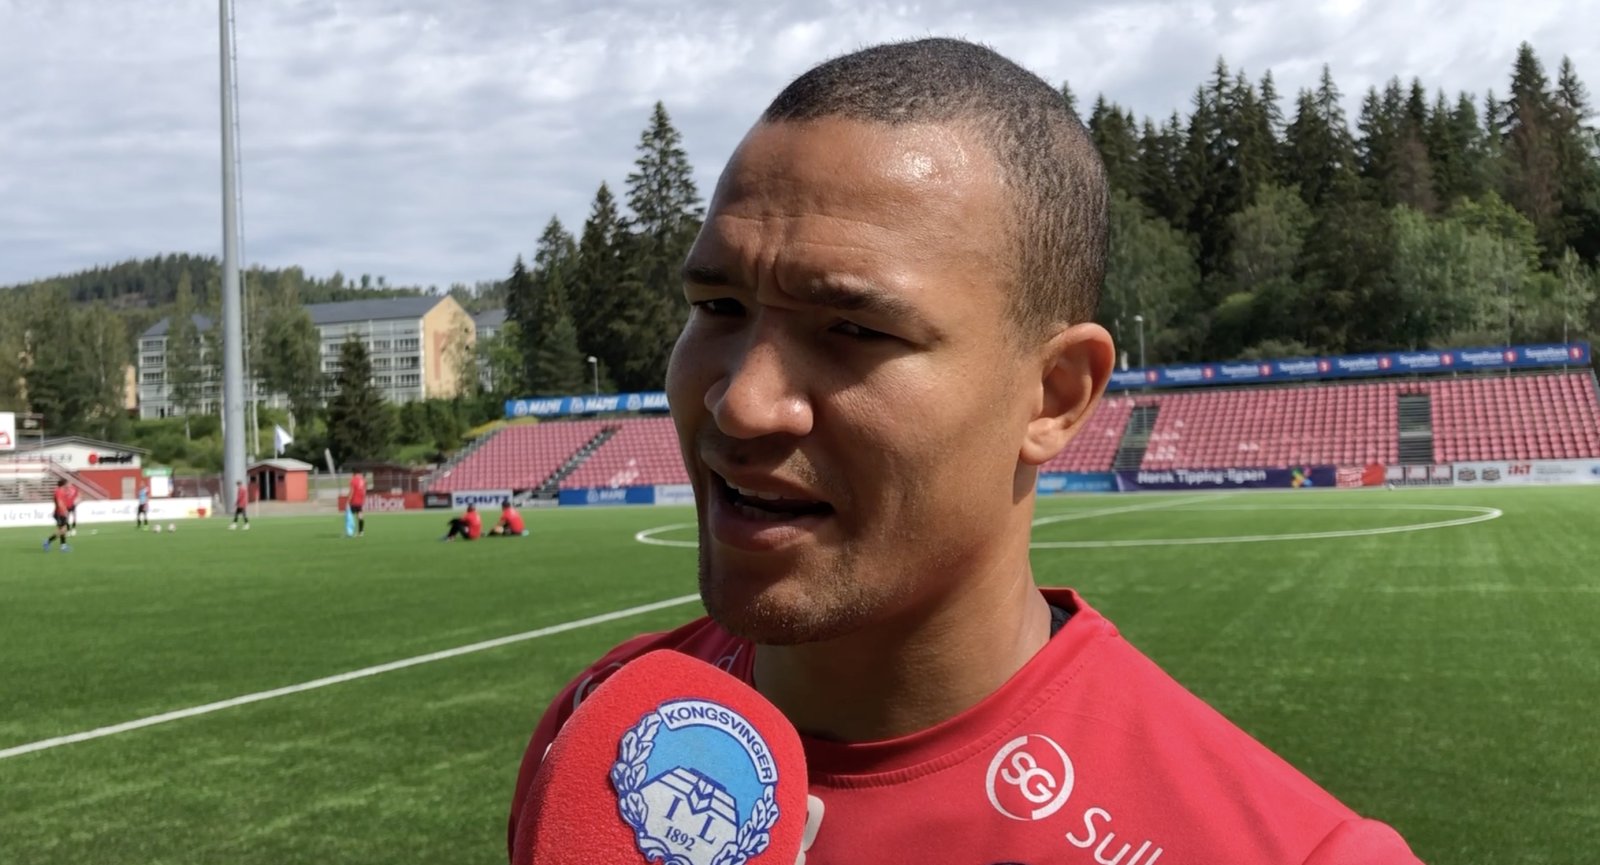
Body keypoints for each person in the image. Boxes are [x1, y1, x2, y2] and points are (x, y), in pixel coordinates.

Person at [506, 38, 1423, 865]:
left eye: (854, 328)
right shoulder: (604, 736)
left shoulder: (1291, 850)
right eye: (718, 307)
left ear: (1054, 394)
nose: (742, 404)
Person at [43, 479, 72, 552]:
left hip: (61, 513)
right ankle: (48, 541)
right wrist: (65, 511)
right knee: (63, 530)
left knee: (63, 530)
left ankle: (63, 546)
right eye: (68, 484)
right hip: (59, 513)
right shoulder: (58, 491)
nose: (69, 485)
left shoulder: (62, 491)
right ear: (64, 484)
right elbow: (59, 503)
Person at [348, 472, 367, 537]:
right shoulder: (363, 481)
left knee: (350, 516)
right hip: (360, 502)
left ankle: (351, 531)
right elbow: (364, 492)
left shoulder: (353, 480)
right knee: (360, 516)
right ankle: (361, 531)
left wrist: (348, 500)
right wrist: (362, 499)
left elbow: (352, 491)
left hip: (354, 501)